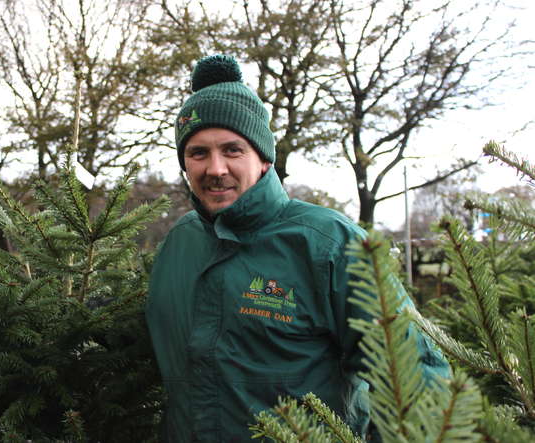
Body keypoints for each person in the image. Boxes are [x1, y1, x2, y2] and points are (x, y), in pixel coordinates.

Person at [145, 54, 450, 442]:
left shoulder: (329, 244)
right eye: (198, 153)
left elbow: (414, 377)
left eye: (232, 150)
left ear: (264, 158)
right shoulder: (180, 242)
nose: (215, 168)